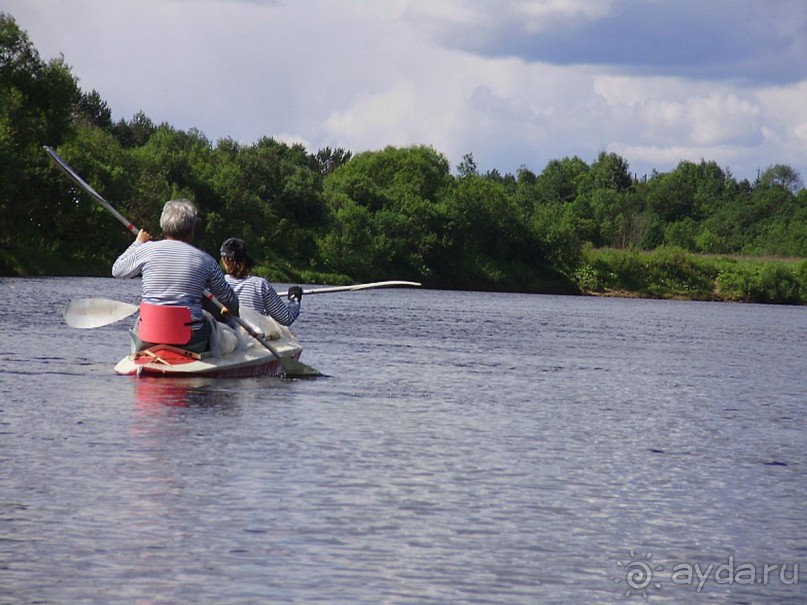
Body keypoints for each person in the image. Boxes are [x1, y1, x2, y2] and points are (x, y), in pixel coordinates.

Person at [112, 199, 240, 352]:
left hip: (149, 335)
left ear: (164, 226)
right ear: (191, 229)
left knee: (138, 323)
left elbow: (117, 270)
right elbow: (229, 299)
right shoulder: (205, 260)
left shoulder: (146, 250)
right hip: (190, 340)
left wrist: (138, 242)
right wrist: (233, 311)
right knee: (215, 322)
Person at [219, 237, 302, 326]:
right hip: (249, 337)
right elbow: (286, 319)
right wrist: (295, 299)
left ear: (225, 260)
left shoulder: (217, 283)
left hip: (224, 333)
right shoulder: (260, 285)